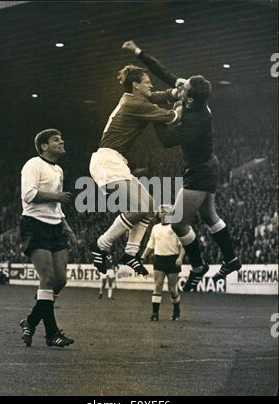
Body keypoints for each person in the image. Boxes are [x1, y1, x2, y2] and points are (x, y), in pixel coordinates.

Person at [122, 41, 241, 291]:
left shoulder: (197, 119)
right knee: (209, 216)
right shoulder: (192, 99)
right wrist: (138, 52)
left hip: (200, 170)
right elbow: (165, 73)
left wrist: (155, 113)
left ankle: (198, 265)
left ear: (190, 96)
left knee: (176, 222)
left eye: (183, 87)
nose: (179, 84)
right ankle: (231, 259)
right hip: (205, 165)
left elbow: (166, 141)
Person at [89, 64, 181, 276]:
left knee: (149, 207)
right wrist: (183, 103)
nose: (151, 85)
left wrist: (174, 92)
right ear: (136, 85)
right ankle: (100, 245)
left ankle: (130, 254)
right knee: (139, 208)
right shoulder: (134, 103)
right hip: (107, 160)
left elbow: (156, 96)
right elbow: (170, 117)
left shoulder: (134, 99)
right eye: (147, 82)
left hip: (116, 161)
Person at [19, 129, 76, 347]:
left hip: (55, 225)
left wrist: (66, 224)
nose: (61, 141)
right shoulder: (33, 164)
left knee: (60, 280)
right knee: (48, 279)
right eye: (56, 139)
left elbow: (57, 205)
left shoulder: (58, 169)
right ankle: (52, 333)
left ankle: (31, 321)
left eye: (61, 137)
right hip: (34, 224)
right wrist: (57, 196)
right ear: (44, 146)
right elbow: (29, 195)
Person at [142, 205, 185, 321]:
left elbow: (183, 245)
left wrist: (180, 258)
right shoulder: (155, 228)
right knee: (158, 286)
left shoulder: (175, 227)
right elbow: (150, 244)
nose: (163, 213)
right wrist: (143, 256)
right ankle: (155, 313)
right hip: (159, 259)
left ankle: (176, 308)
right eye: (161, 212)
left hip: (172, 259)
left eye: (165, 212)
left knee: (172, 289)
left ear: (171, 214)